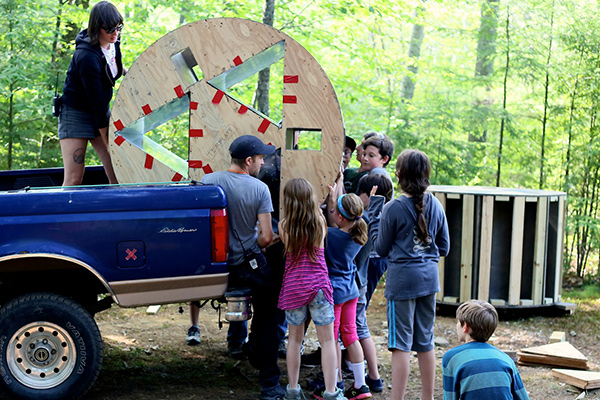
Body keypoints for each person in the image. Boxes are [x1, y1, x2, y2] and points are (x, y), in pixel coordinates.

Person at [197, 134, 286, 400]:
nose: (262, 163)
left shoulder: (209, 180)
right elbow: (266, 238)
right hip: (247, 263)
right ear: (248, 161)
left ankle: (245, 347)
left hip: (215, 265)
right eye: (260, 158)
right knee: (269, 312)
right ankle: (269, 381)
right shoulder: (258, 189)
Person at [369, 149, 450, 400]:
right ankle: (429, 398)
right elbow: (444, 247)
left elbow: (379, 248)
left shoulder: (393, 208)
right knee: (425, 342)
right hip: (429, 280)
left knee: (401, 344)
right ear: (426, 174)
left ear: (399, 174)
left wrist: (374, 211)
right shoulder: (435, 203)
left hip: (403, 282)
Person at [278, 178, 345, 400]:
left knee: (294, 340)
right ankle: (330, 391)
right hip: (318, 287)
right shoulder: (319, 221)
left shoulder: (284, 225)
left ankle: (293, 390)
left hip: (294, 288)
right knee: (327, 341)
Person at [58, 1, 127, 186]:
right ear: (97, 28)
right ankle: (64, 214)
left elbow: (113, 67)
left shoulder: (114, 41)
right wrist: (105, 140)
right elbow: (96, 103)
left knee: (118, 171)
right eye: (110, 29)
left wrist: (131, 74)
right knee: (74, 178)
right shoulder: (86, 56)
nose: (115, 33)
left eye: (118, 28)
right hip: (76, 114)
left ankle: (121, 211)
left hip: (100, 109)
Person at [322, 193, 372, 400]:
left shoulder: (331, 236)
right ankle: (361, 385)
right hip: (351, 291)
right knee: (351, 335)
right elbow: (338, 218)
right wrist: (335, 199)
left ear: (340, 217)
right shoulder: (358, 235)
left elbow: (323, 227)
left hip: (334, 293)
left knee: (332, 339)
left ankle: (334, 385)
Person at [352, 174, 393, 393]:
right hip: (361, 281)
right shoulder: (384, 216)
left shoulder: (365, 221)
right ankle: (373, 376)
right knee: (361, 326)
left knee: (354, 327)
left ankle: (361, 377)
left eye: (360, 194)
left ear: (371, 194)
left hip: (355, 282)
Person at [442, 300, 530, 400]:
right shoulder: (506, 359)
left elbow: (449, 397)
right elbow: (523, 397)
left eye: (458, 322)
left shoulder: (451, 358)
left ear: (465, 327)